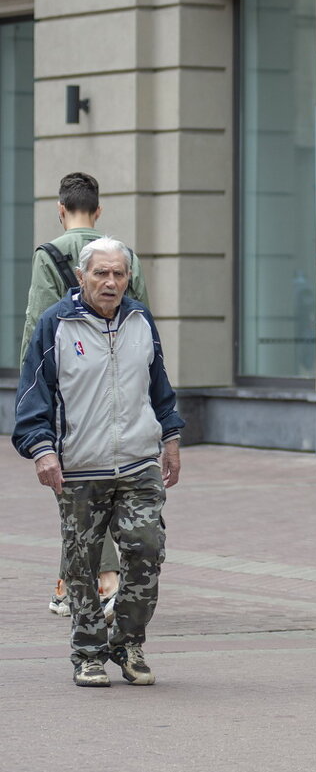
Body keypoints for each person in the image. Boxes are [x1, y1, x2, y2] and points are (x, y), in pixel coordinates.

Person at [13, 237, 183, 687]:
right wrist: (42, 449)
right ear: (83, 276)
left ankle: (127, 643)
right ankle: (88, 652)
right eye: (101, 273)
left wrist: (171, 437)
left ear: (128, 278)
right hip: (79, 467)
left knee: (146, 548)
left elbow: (159, 385)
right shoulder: (56, 325)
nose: (110, 282)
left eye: (119, 274)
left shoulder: (140, 320)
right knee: (82, 565)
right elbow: (33, 396)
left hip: (138, 463)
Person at [21, 172, 150, 619]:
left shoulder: (50, 254)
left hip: (68, 394)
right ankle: (66, 586)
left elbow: (38, 325)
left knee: (75, 489)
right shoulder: (124, 256)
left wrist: (28, 394)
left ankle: (106, 579)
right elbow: (143, 318)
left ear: (61, 210)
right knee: (92, 489)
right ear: (98, 211)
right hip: (121, 392)